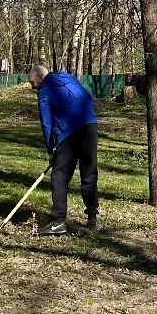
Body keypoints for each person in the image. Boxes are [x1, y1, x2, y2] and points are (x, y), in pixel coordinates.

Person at [29, 64, 98, 235]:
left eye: (32, 82)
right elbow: (88, 98)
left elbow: (46, 123)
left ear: (39, 76)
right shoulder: (69, 79)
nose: (32, 86)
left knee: (59, 177)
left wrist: (50, 150)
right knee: (89, 173)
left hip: (69, 133)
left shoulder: (45, 90)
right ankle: (92, 219)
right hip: (90, 127)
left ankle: (59, 221)